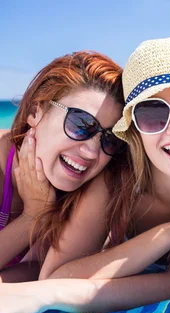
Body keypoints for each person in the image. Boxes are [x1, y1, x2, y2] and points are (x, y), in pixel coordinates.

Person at [0, 37, 170, 313]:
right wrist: (167, 234)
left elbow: (41, 273)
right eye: (153, 113)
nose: (90, 150)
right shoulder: (115, 180)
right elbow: (51, 277)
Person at [0, 51, 127, 282]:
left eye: (110, 139)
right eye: (80, 124)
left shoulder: (91, 186)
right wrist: (33, 216)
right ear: (34, 112)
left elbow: (40, 272)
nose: (91, 151)